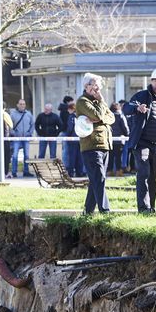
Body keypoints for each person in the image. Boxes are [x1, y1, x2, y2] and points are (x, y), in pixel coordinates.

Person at [125, 67, 156, 213]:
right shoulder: (142, 95)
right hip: (142, 143)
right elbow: (126, 108)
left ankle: (151, 207)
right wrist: (137, 108)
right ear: (151, 81)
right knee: (144, 173)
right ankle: (143, 208)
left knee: (153, 177)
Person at [76, 73, 115, 214]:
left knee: (95, 180)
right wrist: (101, 107)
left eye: (99, 85)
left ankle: (87, 211)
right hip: (91, 145)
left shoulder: (99, 102)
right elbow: (98, 115)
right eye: (95, 85)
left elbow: (111, 118)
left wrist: (100, 114)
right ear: (87, 86)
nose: (98, 88)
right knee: (99, 178)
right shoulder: (82, 102)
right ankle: (105, 211)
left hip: (105, 144)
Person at [9, 99, 34, 178]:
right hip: (17, 138)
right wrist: (14, 133)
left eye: (23, 104)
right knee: (15, 155)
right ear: (17, 105)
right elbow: (10, 126)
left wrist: (29, 133)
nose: (22, 105)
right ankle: (14, 172)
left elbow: (32, 124)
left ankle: (26, 171)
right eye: (20, 104)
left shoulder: (28, 114)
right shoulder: (13, 114)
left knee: (26, 155)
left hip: (26, 137)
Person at [63, 102, 85, 176]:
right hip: (80, 138)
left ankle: (71, 172)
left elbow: (70, 127)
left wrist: (67, 135)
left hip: (72, 139)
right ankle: (80, 172)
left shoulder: (71, 116)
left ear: (71, 109)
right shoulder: (81, 116)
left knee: (72, 157)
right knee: (80, 157)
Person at [108, 102, 129, 177]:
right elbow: (125, 127)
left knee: (110, 156)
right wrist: (127, 134)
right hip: (119, 139)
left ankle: (109, 171)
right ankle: (118, 171)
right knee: (118, 157)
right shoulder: (120, 116)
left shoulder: (108, 116)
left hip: (109, 140)